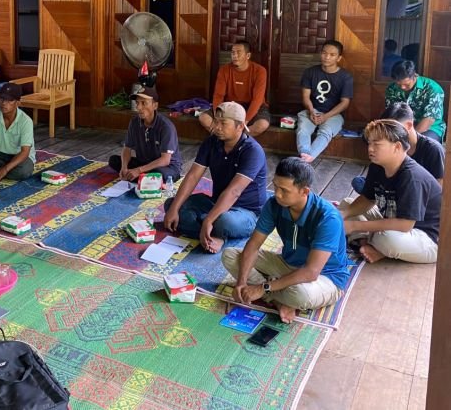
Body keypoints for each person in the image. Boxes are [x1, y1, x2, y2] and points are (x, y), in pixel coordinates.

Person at [222, 157, 349, 323]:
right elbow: (253, 245)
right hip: (288, 265)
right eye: (275, 186)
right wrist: (241, 282)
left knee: (300, 294)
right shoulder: (274, 204)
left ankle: (273, 294)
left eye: (284, 190)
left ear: (305, 192)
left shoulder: (328, 217)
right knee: (230, 255)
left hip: (325, 277)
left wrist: (264, 287)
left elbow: (311, 272)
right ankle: (278, 300)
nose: (277, 194)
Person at [165, 102, 267, 253]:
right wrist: (174, 209)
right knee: (171, 204)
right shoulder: (212, 142)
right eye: (216, 121)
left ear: (240, 126)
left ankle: (215, 230)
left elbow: (234, 192)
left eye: (223, 123)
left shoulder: (252, 151)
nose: (217, 127)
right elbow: (193, 176)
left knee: (226, 221)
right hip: (217, 203)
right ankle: (212, 232)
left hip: (246, 212)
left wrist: (208, 220)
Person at [339, 120, 441, 264]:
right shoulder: (377, 166)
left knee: (387, 238)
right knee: (346, 205)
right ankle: (366, 244)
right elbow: (367, 199)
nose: (370, 149)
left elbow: (405, 225)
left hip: (426, 238)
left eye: (377, 144)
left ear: (397, 147)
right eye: (369, 143)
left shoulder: (412, 177)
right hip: (393, 223)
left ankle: (377, 247)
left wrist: (355, 226)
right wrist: (343, 214)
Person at [352, 102, 444, 194]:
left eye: (392, 128)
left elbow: (439, 188)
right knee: (359, 182)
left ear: (408, 125)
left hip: (418, 194)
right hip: (393, 189)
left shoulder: (433, 149)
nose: (388, 133)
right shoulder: (387, 146)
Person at [108, 86, 182, 182]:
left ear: (155, 105)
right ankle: (142, 178)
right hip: (144, 163)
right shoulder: (134, 123)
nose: (138, 107)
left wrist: (138, 170)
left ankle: (141, 177)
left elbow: (165, 160)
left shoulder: (166, 127)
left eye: (144, 103)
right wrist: (124, 167)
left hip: (167, 167)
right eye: (137, 103)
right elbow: (127, 148)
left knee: (161, 175)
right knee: (114, 161)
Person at [296, 40, 353, 162]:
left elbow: (345, 103)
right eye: (324, 53)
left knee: (325, 132)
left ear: (339, 58)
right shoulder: (310, 72)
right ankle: (304, 154)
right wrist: (311, 111)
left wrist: (326, 116)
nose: (327, 57)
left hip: (334, 114)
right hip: (312, 110)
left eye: (332, 55)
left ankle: (307, 159)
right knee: (303, 128)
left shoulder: (345, 77)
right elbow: (306, 97)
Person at [199, 41, 271, 137]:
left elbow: (257, 100)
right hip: (231, 105)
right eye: (233, 52)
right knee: (204, 118)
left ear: (248, 55)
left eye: (238, 52)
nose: (234, 55)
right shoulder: (224, 70)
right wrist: (218, 116)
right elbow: (218, 95)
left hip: (251, 106)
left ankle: (239, 139)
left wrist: (245, 121)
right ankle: (223, 137)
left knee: (262, 124)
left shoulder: (260, 71)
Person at [385, 60, 446, 142]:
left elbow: (429, 119)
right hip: (402, 127)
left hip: (430, 128)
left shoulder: (432, 88)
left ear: (415, 76)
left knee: (422, 143)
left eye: (406, 84)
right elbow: (391, 114)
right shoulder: (392, 89)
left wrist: (409, 137)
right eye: (399, 84)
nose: (402, 87)